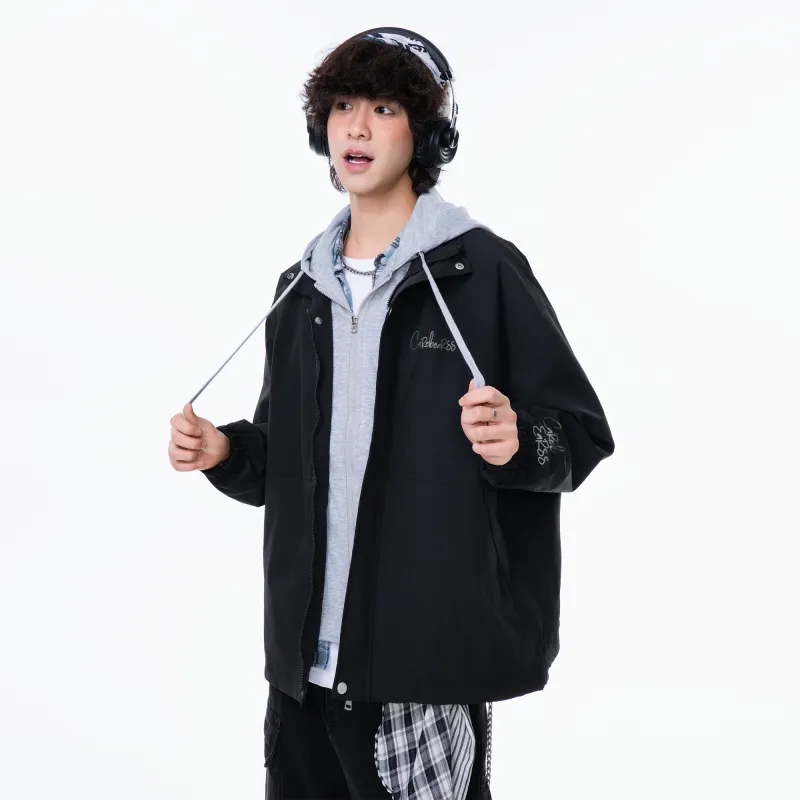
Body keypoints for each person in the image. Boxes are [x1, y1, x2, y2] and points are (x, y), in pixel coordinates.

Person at [167, 27, 615, 800]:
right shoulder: (299, 290)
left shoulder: (482, 272)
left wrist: (518, 441)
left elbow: (580, 436)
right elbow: (281, 464)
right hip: (300, 679)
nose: (359, 127)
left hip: (420, 673)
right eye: (344, 106)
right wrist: (225, 452)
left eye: (384, 108)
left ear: (427, 133)